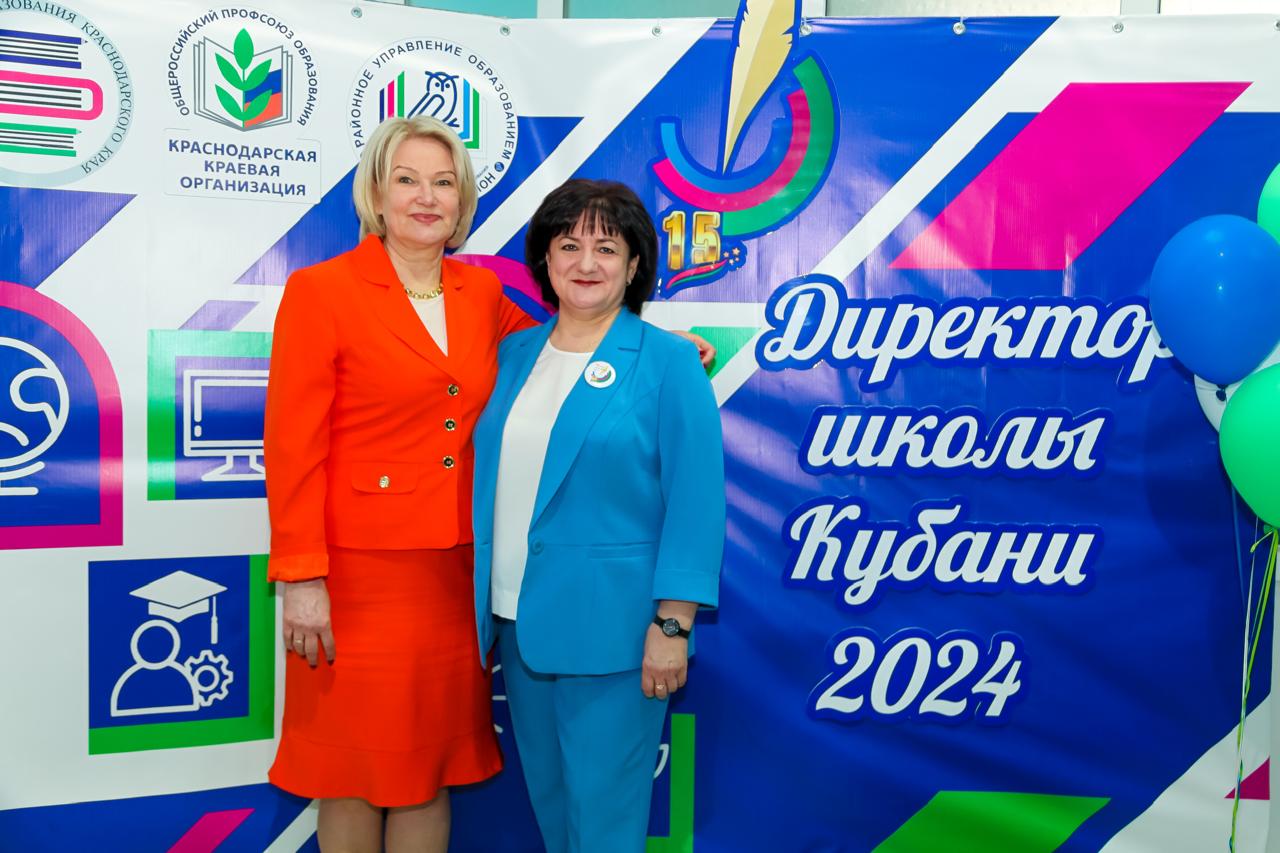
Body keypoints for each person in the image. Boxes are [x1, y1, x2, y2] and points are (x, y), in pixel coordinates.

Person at [263, 116, 529, 852]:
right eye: (406, 180)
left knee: (430, 769)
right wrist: (302, 576)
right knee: (350, 773)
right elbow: (292, 446)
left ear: (462, 199)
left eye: (443, 183)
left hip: (453, 575)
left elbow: (560, 346)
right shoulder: (321, 290)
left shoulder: (481, 293)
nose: (426, 197)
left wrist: (651, 346)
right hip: (354, 578)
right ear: (375, 196)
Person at [471, 179, 725, 853]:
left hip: (618, 634)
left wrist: (672, 624)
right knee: (555, 819)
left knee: (605, 830)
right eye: (569, 245)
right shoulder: (513, 354)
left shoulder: (669, 361)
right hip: (518, 626)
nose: (586, 263)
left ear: (635, 264)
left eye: (607, 248)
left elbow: (696, 501)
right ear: (545, 260)